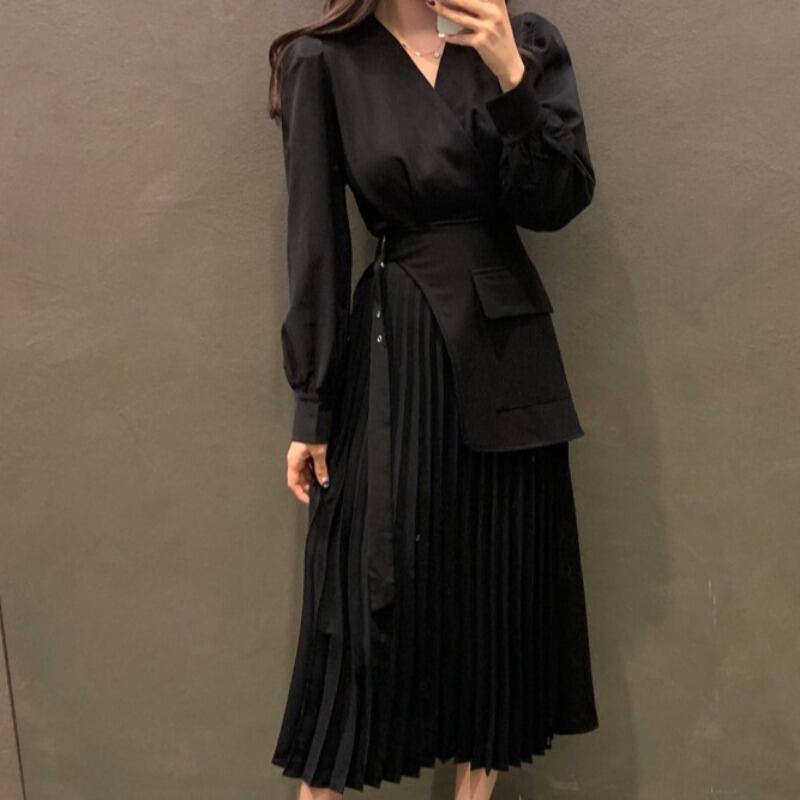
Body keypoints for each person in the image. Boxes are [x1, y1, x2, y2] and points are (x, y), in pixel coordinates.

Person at [267, 0, 599, 797]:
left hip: (509, 356)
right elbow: (315, 240)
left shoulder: (523, 41)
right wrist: (313, 404)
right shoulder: (325, 61)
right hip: (398, 344)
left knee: (496, 606)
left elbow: (558, 200)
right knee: (361, 605)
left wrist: (511, 76)